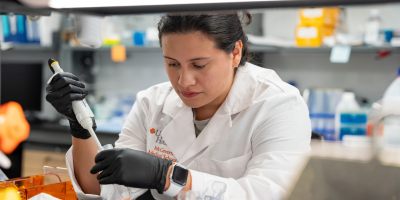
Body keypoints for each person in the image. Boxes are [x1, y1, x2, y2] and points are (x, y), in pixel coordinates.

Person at [46, 12, 311, 200]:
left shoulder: (278, 105)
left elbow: (270, 194)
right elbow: (106, 191)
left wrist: (167, 176)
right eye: (172, 64)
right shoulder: (153, 102)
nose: (184, 81)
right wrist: (78, 126)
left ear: (235, 52)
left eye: (199, 65)